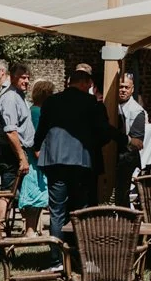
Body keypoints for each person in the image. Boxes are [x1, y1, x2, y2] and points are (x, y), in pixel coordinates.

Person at [36, 65, 113, 237]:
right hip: (81, 160)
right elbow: (104, 131)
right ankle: (79, 251)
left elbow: (41, 129)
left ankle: (57, 257)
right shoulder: (90, 102)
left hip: (54, 160)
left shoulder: (51, 101)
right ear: (86, 83)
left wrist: (36, 147)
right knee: (81, 209)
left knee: (57, 210)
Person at [0, 59, 33, 234]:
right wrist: (21, 157)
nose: (26, 81)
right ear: (12, 77)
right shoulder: (10, 98)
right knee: (6, 193)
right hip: (10, 151)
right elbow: (11, 131)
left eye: (28, 78)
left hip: (15, 150)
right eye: (22, 77)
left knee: (12, 192)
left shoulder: (17, 95)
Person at [18, 80, 52, 231]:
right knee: (34, 196)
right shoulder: (37, 112)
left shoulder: (34, 110)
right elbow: (37, 137)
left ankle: (33, 229)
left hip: (39, 158)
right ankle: (30, 230)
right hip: (37, 159)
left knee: (38, 197)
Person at [113, 76, 148, 206]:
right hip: (111, 155)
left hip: (125, 158)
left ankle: (124, 222)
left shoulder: (137, 110)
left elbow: (137, 141)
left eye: (126, 87)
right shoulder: (110, 104)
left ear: (132, 89)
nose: (123, 90)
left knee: (122, 194)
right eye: (120, 86)